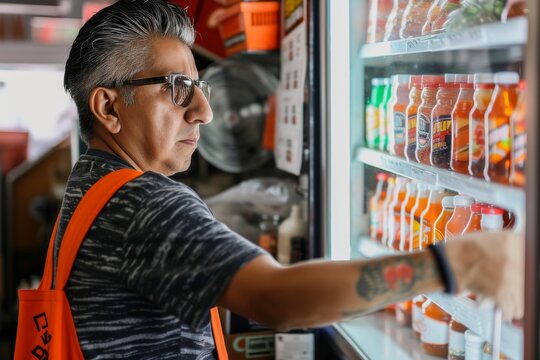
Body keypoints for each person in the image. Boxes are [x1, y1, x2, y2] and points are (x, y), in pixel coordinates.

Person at [60, 0, 524, 358]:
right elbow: (275, 298)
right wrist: (453, 264)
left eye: (200, 88)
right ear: (108, 107)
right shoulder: (145, 204)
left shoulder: (91, 186)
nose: (205, 112)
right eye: (178, 89)